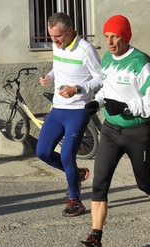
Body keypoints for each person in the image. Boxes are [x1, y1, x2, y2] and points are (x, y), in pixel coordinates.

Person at [76, 14, 150, 247]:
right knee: (99, 184)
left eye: (115, 36)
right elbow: (108, 89)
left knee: (143, 182)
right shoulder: (107, 58)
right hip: (110, 130)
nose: (109, 41)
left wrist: (127, 108)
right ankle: (95, 239)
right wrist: (96, 103)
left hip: (137, 131)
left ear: (126, 36)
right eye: (107, 36)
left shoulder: (142, 62)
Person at [36, 12, 103, 217]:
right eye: (50, 37)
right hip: (57, 109)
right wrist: (49, 75)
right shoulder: (58, 46)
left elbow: (101, 78)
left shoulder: (85, 49)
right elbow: (59, 67)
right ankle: (77, 174)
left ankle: (76, 200)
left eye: (57, 37)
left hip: (78, 110)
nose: (54, 41)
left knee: (67, 155)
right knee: (43, 152)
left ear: (69, 30)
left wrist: (79, 88)